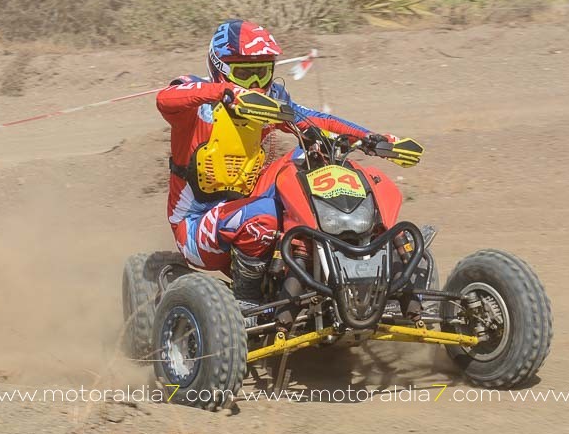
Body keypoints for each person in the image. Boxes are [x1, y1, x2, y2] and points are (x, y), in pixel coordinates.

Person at [156, 19, 417, 303]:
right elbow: (165, 99)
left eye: (263, 73)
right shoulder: (195, 99)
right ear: (220, 69)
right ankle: (247, 301)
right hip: (195, 222)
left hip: (249, 199)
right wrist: (226, 93)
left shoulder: (271, 101)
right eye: (245, 74)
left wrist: (371, 138)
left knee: (311, 160)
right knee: (264, 217)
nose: (256, 85)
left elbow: (316, 120)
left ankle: (357, 255)